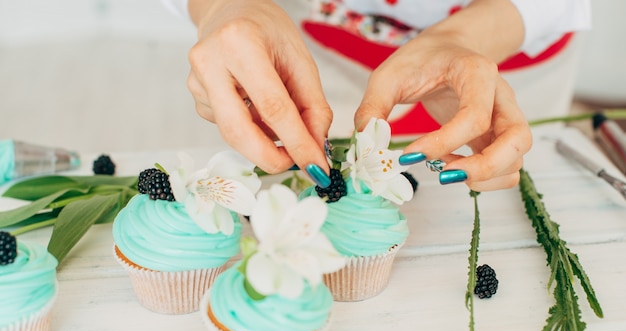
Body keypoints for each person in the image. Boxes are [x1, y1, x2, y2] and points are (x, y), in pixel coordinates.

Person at [162, 0, 591, 191]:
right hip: (304, 40)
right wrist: (223, 6)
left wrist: (464, 36)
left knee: (506, 182)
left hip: (498, 47)